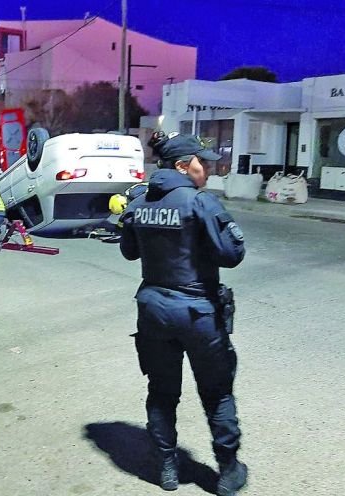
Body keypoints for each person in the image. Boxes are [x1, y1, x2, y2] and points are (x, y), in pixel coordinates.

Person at [119, 132, 247, 495]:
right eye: (201, 162)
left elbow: (129, 252)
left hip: (153, 312)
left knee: (161, 391)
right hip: (197, 313)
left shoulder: (139, 202)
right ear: (181, 166)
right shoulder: (199, 202)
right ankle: (227, 471)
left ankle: (167, 469)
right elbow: (233, 254)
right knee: (218, 393)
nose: (207, 167)